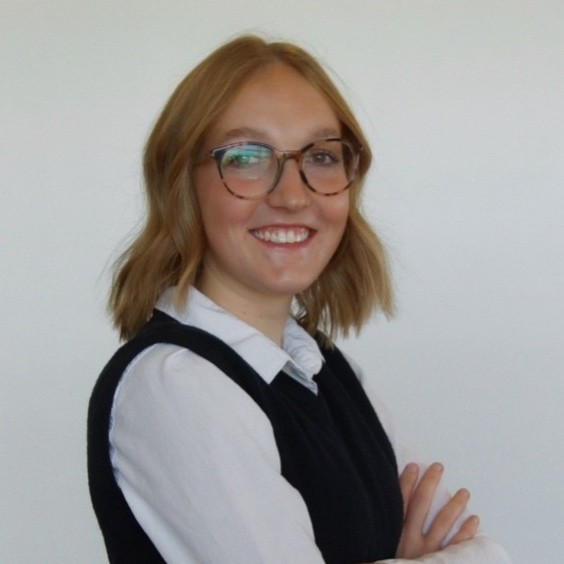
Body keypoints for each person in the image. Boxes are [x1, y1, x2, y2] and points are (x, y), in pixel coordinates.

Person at [87, 35, 512, 563]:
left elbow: (489, 552)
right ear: (181, 183)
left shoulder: (331, 372)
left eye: (321, 156)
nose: (293, 195)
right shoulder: (175, 383)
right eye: (245, 157)